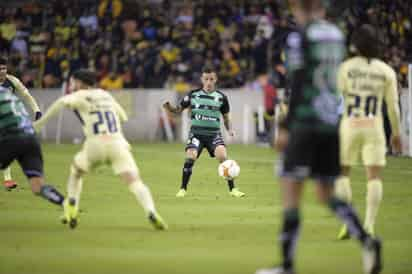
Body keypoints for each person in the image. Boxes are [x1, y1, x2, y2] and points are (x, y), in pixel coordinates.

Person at [255, 1, 382, 274]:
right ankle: (367, 240)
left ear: (295, 6)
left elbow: (299, 81)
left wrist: (285, 127)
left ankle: (287, 265)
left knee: (291, 188)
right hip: (330, 123)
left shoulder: (300, 36)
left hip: (305, 122)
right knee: (325, 192)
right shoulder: (336, 35)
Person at [34, 69, 167, 230]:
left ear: (79, 83)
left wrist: (40, 124)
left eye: (72, 82)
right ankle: (151, 211)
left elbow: (61, 103)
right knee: (134, 181)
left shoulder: (80, 95)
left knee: (76, 172)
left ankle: (72, 207)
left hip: (95, 144)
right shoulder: (106, 95)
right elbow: (123, 117)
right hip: (118, 143)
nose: (71, 85)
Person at [335, 24, 401, 239]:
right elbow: (393, 107)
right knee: (374, 176)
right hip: (374, 127)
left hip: (350, 125)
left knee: (342, 173)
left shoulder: (346, 68)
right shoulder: (386, 71)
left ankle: (349, 223)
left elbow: (333, 98)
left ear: (355, 45)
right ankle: (370, 225)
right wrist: (397, 133)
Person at [163, 65, 245, 198]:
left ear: (215, 80)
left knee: (223, 157)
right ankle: (183, 189)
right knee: (190, 157)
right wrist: (170, 109)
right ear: (202, 79)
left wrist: (229, 129)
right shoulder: (193, 95)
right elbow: (179, 110)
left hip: (213, 134)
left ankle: (233, 190)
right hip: (197, 134)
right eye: (206, 79)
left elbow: (225, 117)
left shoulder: (221, 97)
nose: (208, 82)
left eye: (211, 79)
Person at [0, 85, 65, 208]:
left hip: (11, 138)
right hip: (30, 139)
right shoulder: (7, 93)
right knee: (37, 186)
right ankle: (66, 204)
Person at [0, 56, 42, 190]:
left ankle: (7, 180)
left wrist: (36, 110)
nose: (2, 71)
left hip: (6, 119)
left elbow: (26, 96)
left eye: (4, 68)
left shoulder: (12, 81)